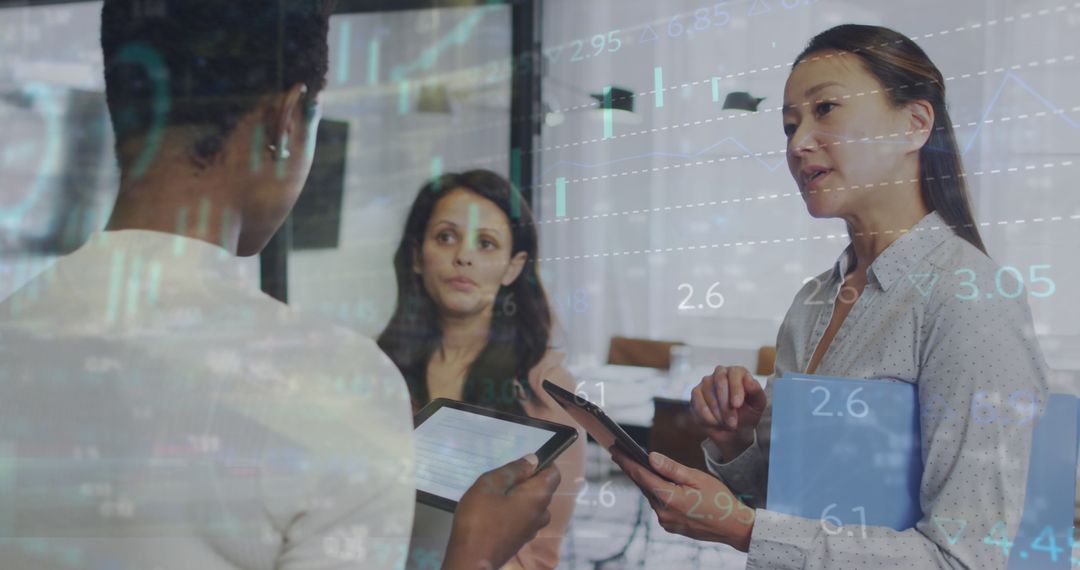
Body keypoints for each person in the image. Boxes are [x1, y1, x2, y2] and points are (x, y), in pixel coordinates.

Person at [0, 2, 559, 569]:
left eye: (485, 244)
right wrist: (476, 555)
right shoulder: (339, 384)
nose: (463, 257)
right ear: (285, 122)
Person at [611, 24, 1049, 568]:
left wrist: (748, 531)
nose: (798, 144)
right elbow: (800, 502)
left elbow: (966, 559)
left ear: (915, 124)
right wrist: (737, 441)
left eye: (827, 110)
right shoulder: (814, 300)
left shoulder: (971, 300)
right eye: (790, 125)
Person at [378, 170, 586, 570]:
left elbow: (539, 555)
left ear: (512, 267)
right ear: (417, 255)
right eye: (445, 237)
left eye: (486, 243)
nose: (464, 256)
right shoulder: (373, 370)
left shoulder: (548, 390)